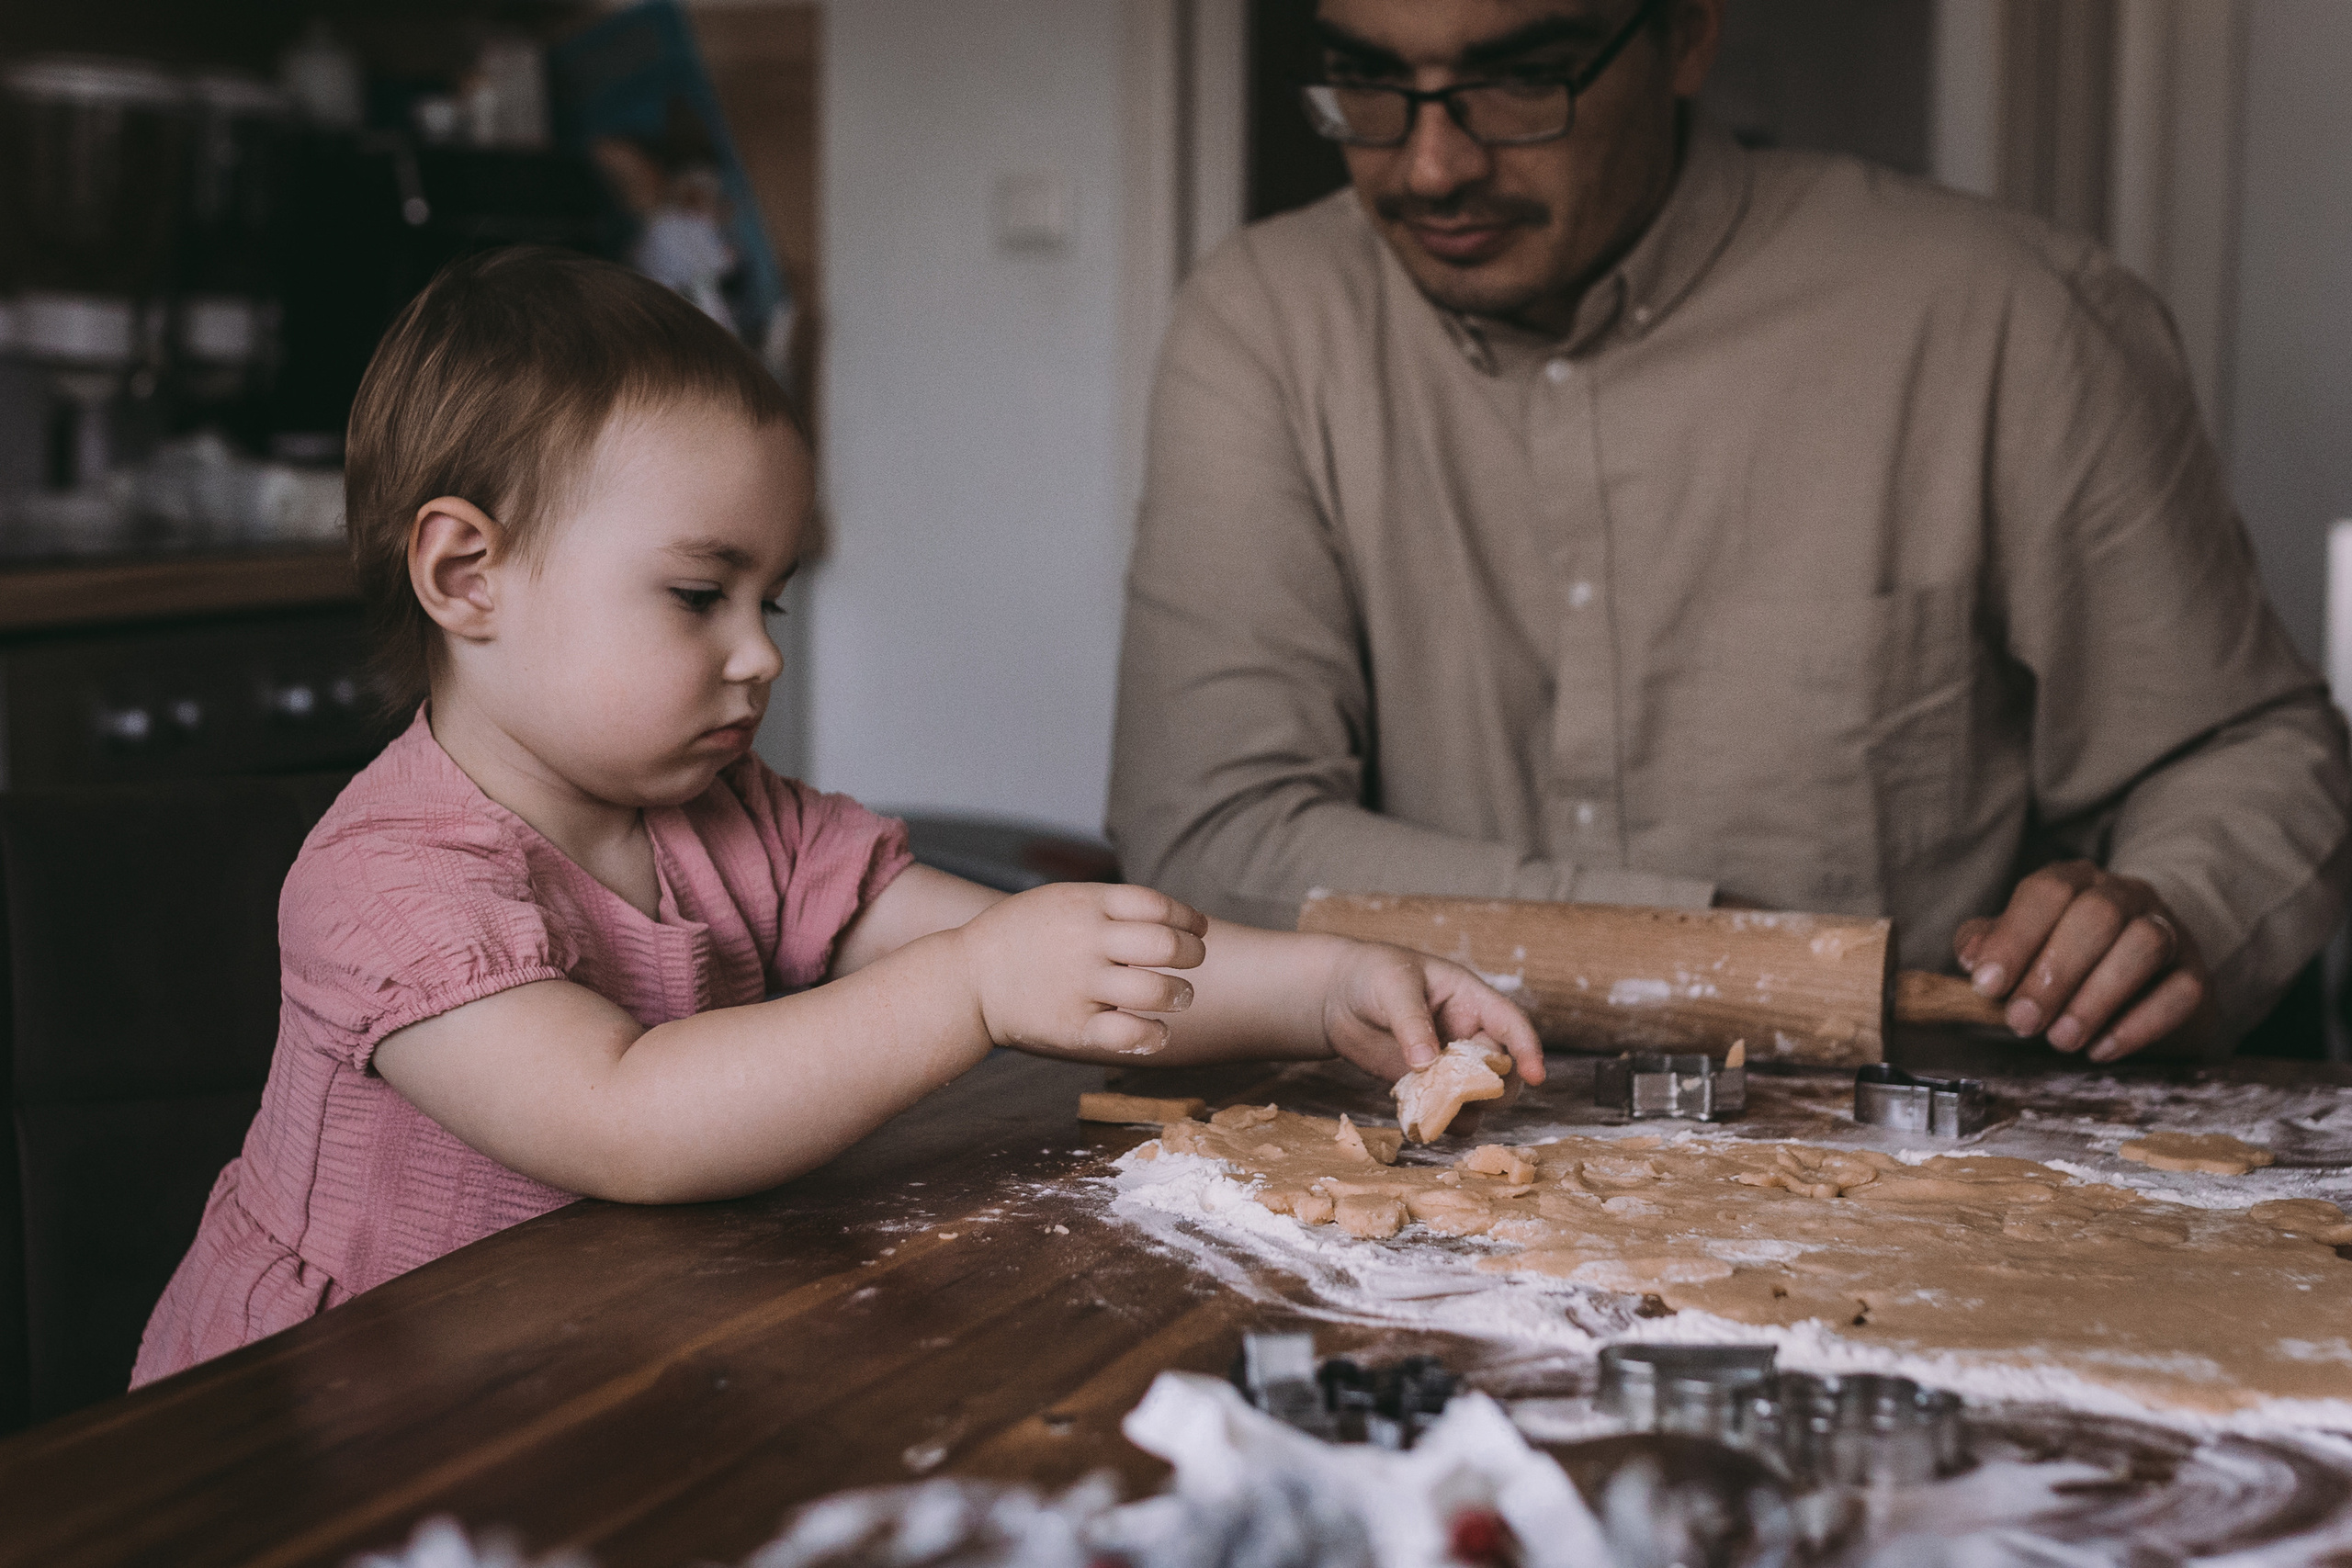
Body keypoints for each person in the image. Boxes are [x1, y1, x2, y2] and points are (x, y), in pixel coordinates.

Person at [133, 248, 1539, 1385]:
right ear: (465, 574)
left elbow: (1074, 965)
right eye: (701, 595)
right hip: (333, 1418)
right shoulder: (386, 885)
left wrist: (1327, 987)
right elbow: (628, 1119)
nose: (760, 654)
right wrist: (970, 988)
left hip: (594, 1359)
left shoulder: (737, 821)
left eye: (775, 600)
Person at [1108, 0, 2351, 1063]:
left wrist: (2175, 905)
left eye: (1523, 79)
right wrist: (1729, 951)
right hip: (1413, 1160)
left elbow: (2250, 751)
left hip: (1918, 1169)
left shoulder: (2011, 318)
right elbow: (1210, 839)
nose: (1432, 167)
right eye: (1372, 82)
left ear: (1688, 35)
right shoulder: (1263, 322)